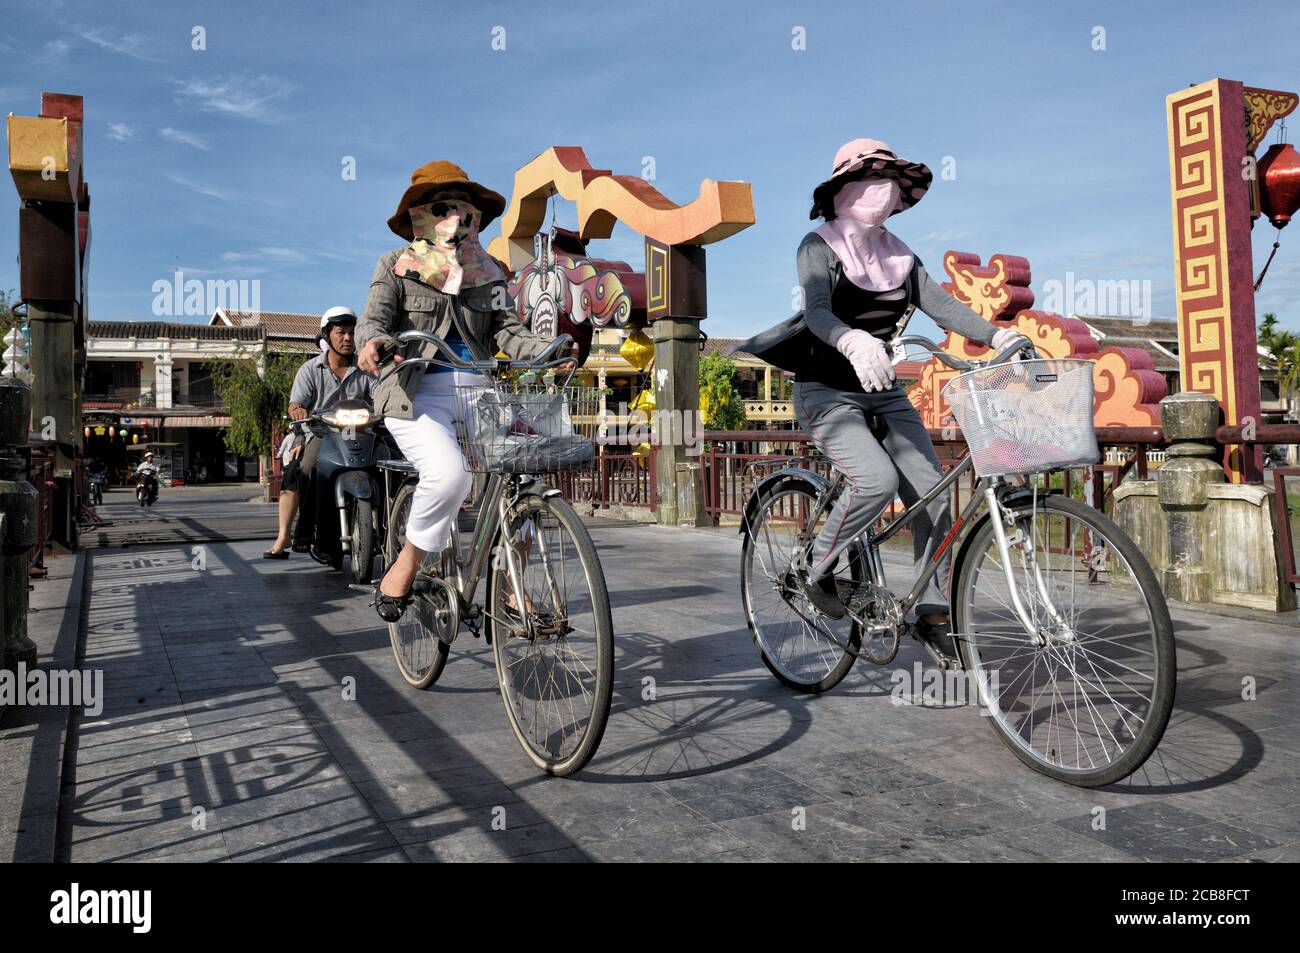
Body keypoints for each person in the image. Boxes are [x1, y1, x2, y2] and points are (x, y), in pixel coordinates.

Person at [737, 138, 1020, 659]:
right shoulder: (816, 245)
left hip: (883, 388)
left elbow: (944, 307)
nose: (882, 189)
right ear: (843, 189)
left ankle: (932, 609)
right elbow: (818, 312)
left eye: (889, 179)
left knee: (932, 493)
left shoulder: (902, 257)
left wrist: (1000, 337)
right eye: (870, 178)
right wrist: (851, 338)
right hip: (826, 389)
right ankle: (816, 566)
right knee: (877, 479)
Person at [356, 160, 575, 621]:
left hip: (481, 393)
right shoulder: (395, 267)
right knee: (449, 475)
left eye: (464, 210)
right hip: (417, 392)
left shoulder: (491, 271)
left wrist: (547, 348)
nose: (454, 219)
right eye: (441, 209)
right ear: (421, 215)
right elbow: (373, 322)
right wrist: (374, 343)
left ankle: (510, 581)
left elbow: (509, 332)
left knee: (530, 472)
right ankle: (406, 564)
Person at [264, 306, 374, 559]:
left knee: (393, 466)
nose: (347, 338)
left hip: (361, 434)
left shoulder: (367, 368)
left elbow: (380, 397)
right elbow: (296, 404)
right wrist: (298, 411)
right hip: (322, 434)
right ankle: (285, 536)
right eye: (340, 333)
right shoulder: (310, 369)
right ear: (326, 336)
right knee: (301, 470)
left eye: (351, 333)